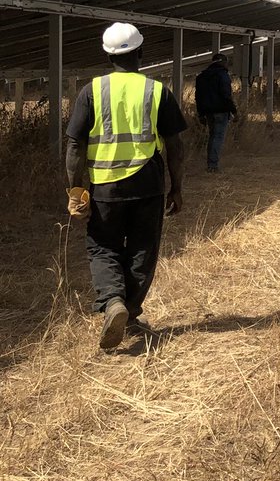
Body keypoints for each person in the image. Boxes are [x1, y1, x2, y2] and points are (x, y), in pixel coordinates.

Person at [65, 22, 187, 349]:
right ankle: (129, 311)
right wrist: (176, 187)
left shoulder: (91, 91)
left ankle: (113, 302)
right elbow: (174, 145)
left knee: (103, 247)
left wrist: (76, 191)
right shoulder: (157, 90)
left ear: (108, 56)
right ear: (141, 53)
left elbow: (75, 146)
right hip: (147, 184)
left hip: (104, 187)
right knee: (142, 249)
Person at [194, 52, 238, 172]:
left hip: (208, 112)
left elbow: (198, 97)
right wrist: (234, 110)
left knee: (212, 137)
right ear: (223, 62)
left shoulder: (201, 77)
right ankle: (213, 166)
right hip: (221, 111)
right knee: (218, 137)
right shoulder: (223, 75)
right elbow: (226, 95)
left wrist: (201, 113)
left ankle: (211, 163)